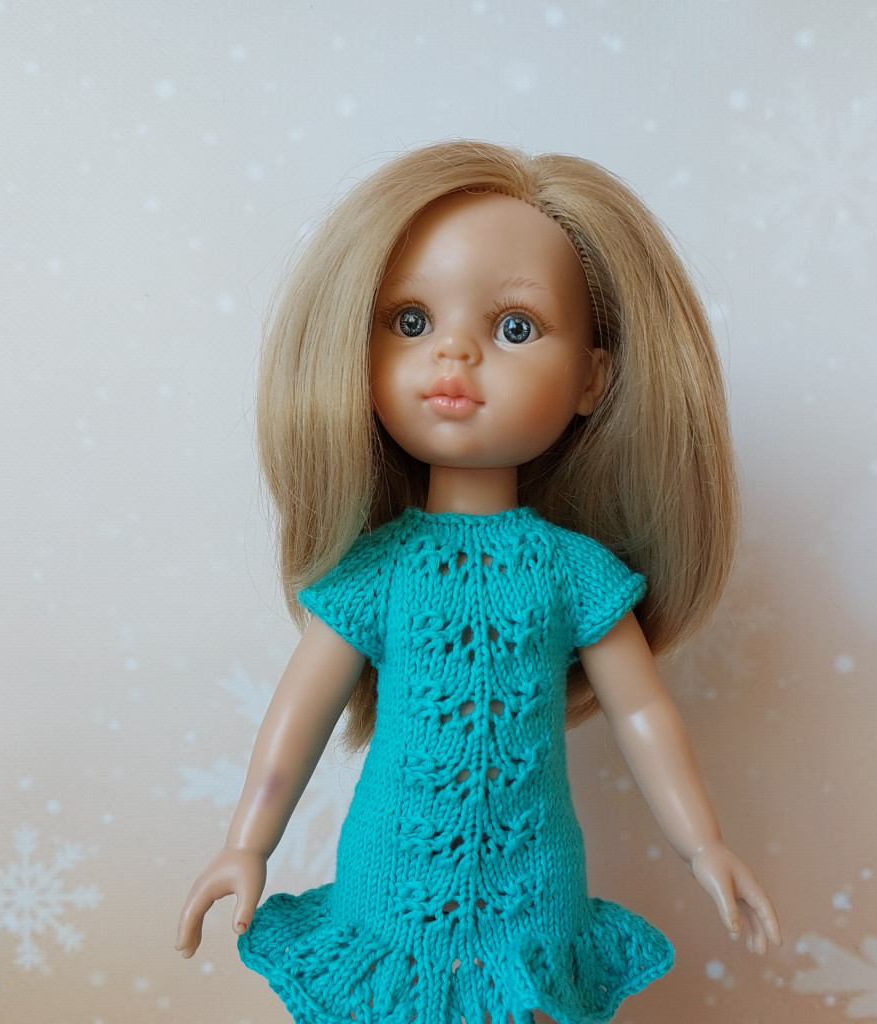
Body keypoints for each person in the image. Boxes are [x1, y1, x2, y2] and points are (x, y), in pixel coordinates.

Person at [176, 141, 781, 1024]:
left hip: (530, 888)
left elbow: (644, 714)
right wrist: (246, 845)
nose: (454, 353)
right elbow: (296, 719)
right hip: (392, 880)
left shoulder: (572, 572)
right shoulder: (378, 571)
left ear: (593, 379)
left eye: (515, 328)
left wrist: (705, 844)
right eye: (411, 321)